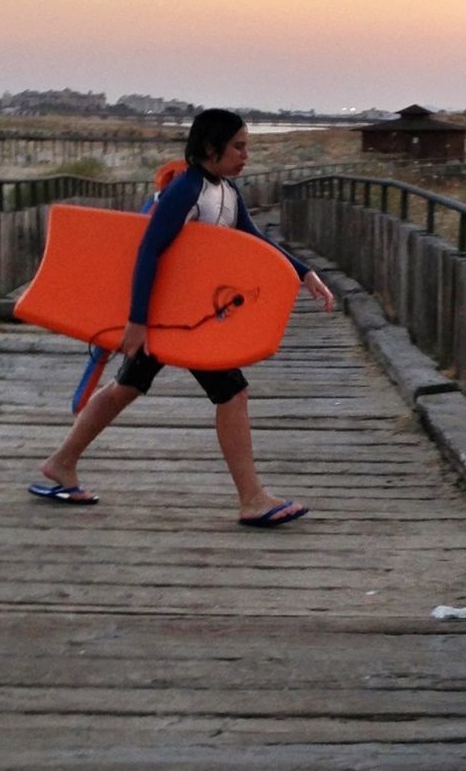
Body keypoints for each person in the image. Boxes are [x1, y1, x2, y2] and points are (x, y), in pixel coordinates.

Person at [28, 109, 335, 527]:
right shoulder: (187, 190)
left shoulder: (226, 190)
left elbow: (254, 240)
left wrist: (303, 272)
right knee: (232, 393)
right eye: (239, 146)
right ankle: (252, 498)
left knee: (126, 387)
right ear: (211, 148)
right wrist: (137, 321)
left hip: (181, 315)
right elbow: (148, 250)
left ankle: (61, 463)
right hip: (178, 319)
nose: (246, 155)